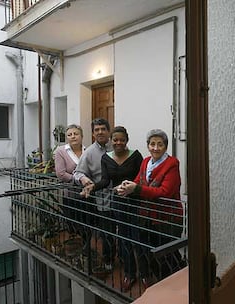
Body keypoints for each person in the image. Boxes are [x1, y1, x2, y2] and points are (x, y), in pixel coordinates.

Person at [116, 128, 185, 287]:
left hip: (167, 219)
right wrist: (124, 186)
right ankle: (162, 284)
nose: (155, 148)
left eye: (160, 144)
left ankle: (175, 286)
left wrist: (136, 189)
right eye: (152, 144)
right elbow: (138, 180)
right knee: (152, 254)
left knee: (168, 255)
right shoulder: (146, 161)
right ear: (148, 145)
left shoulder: (171, 164)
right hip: (147, 217)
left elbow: (165, 192)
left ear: (165, 146)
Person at [82, 126, 143, 291]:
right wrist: (92, 187)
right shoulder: (106, 158)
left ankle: (144, 273)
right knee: (123, 239)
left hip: (136, 201)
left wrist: (133, 187)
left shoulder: (136, 156)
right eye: (115, 139)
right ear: (111, 140)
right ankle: (130, 274)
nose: (118, 142)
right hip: (118, 203)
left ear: (126, 140)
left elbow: (141, 178)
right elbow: (105, 180)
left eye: (122, 139)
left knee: (138, 238)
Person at [73, 118, 114, 270]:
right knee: (107, 234)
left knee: (124, 233)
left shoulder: (116, 145)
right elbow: (77, 173)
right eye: (97, 130)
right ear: (93, 133)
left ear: (108, 130)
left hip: (121, 199)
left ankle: (125, 260)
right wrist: (85, 180)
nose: (100, 132)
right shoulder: (89, 153)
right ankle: (109, 260)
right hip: (102, 201)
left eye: (103, 129)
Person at [53, 124, 85, 234]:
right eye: (70, 135)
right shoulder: (61, 151)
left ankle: (87, 249)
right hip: (71, 195)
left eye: (76, 134)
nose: (73, 136)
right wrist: (80, 180)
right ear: (67, 138)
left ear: (82, 136)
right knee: (74, 227)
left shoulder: (87, 151)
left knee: (88, 225)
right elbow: (61, 174)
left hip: (87, 195)